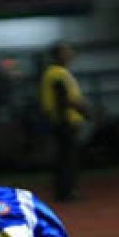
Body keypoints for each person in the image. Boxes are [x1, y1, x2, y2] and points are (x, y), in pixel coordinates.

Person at [40, 41, 90, 203]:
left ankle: (65, 190)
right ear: (58, 55)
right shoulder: (57, 74)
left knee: (64, 157)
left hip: (62, 121)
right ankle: (67, 191)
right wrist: (83, 109)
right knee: (67, 158)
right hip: (64, 121)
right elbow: (64, 98)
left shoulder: (57, 72)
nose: (70, 54)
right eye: (66, 51)